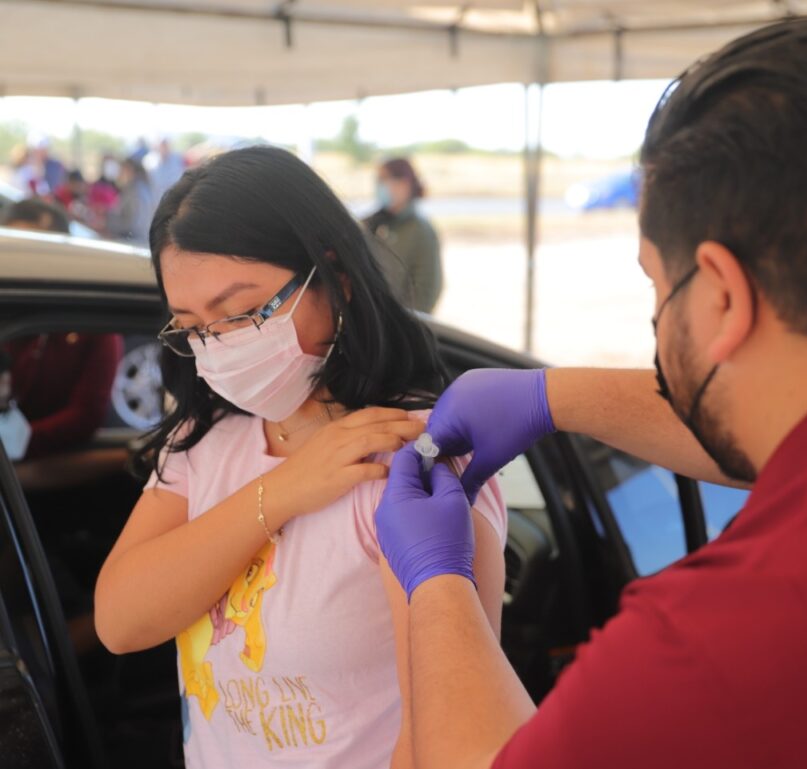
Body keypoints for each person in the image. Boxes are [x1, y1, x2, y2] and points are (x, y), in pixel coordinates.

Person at [373, 17, 807, 769]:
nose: (655, 308)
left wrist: (439, 584)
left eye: (656, 278)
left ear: (720, 293)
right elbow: (797, 424)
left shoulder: (714, 647)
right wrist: (552, 397)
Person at [93, 146, 507, 769]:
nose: (221, 345)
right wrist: (287, 489)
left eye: (240, 312)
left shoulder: (410, 453)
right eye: (194, 327)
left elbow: (447, 729)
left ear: (332, 278)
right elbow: (121, 621)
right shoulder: (205, 441)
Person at [2, 198, 124, 460]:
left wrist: (16, 441)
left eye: (34, 250)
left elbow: (85, 414)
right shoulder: (8, 307)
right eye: (17, 248)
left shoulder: (90, 323)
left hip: (55, 465)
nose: (23, 263)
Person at [364, 158, 443, 313]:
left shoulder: (421, 231)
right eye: (378, 180)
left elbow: (426, 291)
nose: (380, 186)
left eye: (385, 179)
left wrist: (401, 325)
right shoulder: (370, 224)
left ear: (405, 184)